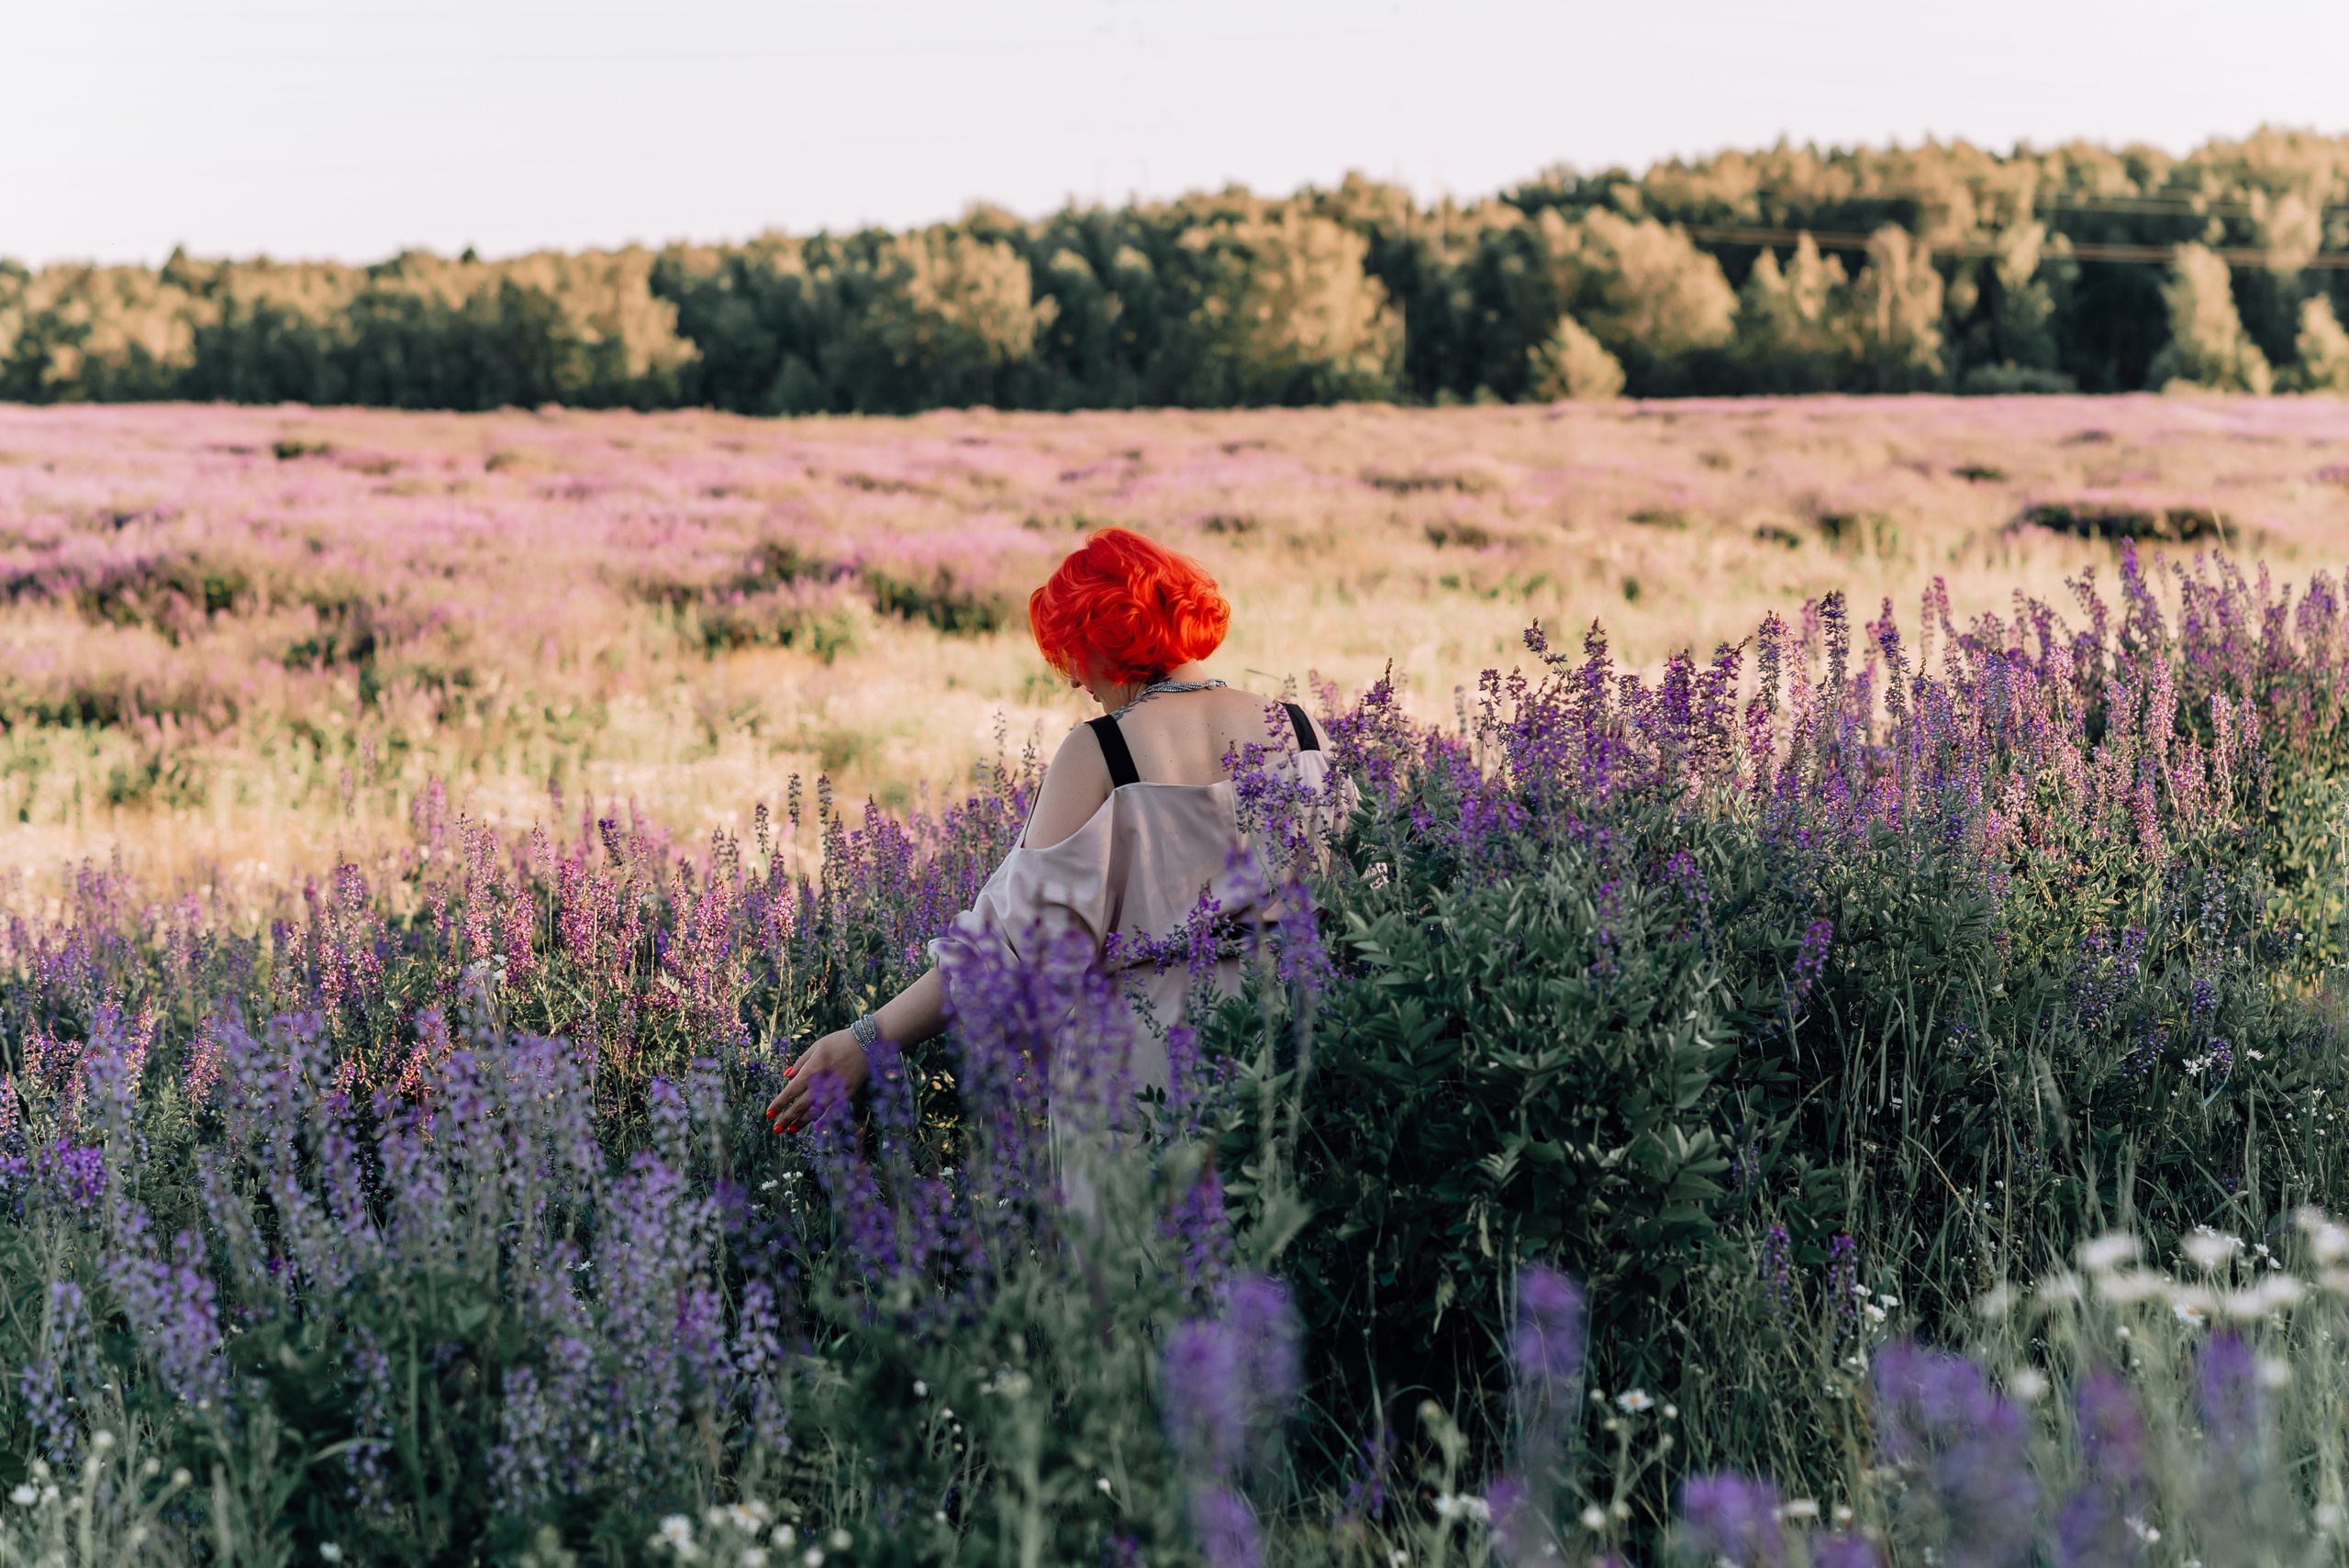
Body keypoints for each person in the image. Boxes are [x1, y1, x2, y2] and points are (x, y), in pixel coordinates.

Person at [764, 527, 1347, 1135]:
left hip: (1141, 1074)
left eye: (1075, 650)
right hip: (1290, 1053)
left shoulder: (1100, 750)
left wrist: (866, 1039)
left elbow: (1005, 944)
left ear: (1110, 633)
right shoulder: (1302, 732)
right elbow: (1357, 897)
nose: (1075, 679)